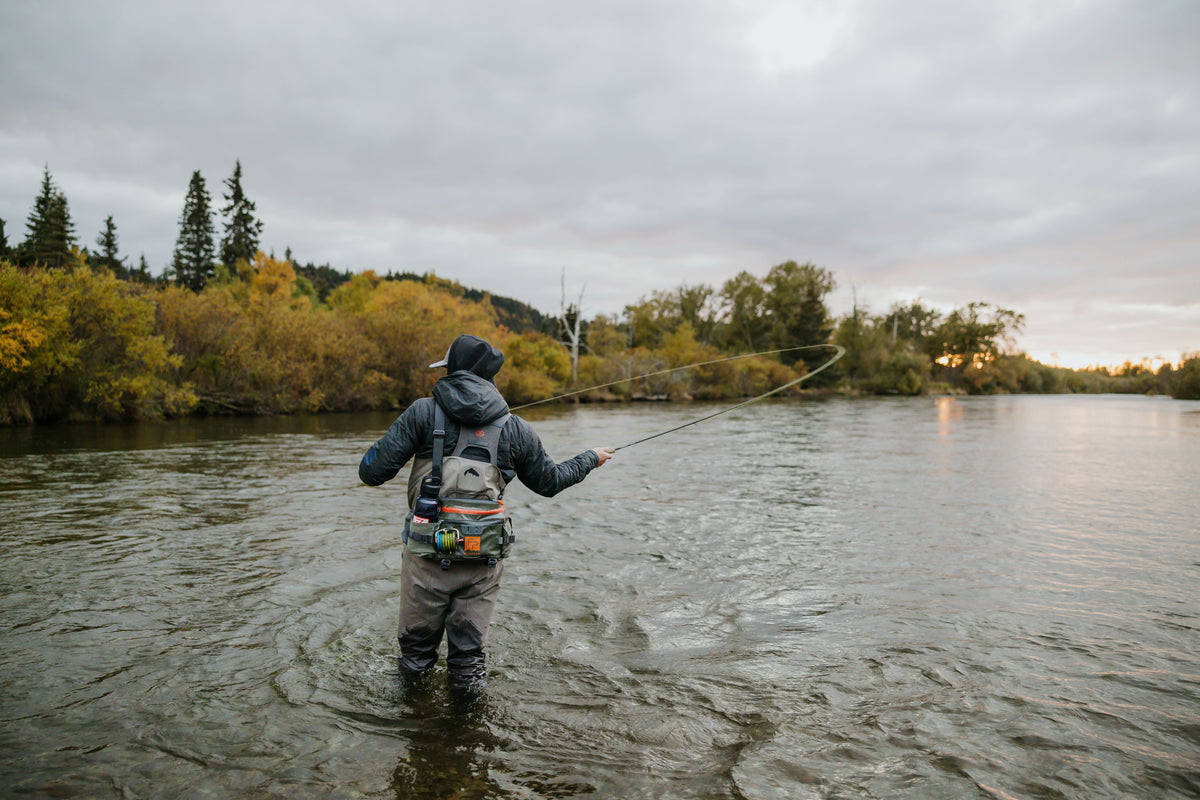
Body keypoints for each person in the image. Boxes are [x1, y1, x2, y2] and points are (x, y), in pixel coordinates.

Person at [359, 334, 613, 690]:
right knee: (467, 665)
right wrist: (590, 458)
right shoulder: (515, 428)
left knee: (415, 660)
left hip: (427, 556)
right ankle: (468, 737)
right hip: (482, 560)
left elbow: (371, 473)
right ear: (491, 378)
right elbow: (550, 482)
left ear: (454, 371)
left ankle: (413, 733)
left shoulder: (421, 412)